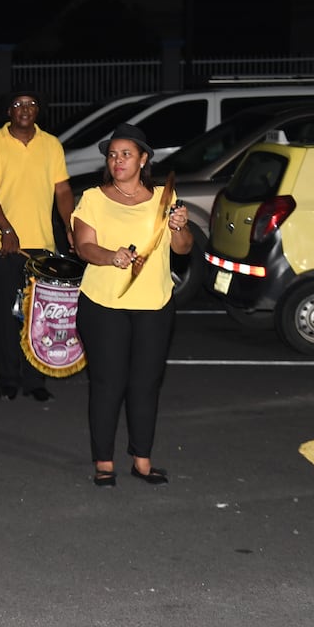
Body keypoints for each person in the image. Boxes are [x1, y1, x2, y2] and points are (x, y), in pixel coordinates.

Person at [71, 122, 191, 487]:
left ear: (143, 159)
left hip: (154, 303)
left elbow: (183, 249)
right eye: (112, 155)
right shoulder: (93, 197)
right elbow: (83, 246)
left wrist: (179, 226)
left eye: (126, 154)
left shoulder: (163, 198)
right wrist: (112, 256)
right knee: (108, 384)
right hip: (104, 304)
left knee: (145, 384)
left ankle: (142, 459)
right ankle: (104, 461)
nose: (117, 160)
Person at [0, 89, 74, 402]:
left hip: (41, 243)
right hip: (4, 244)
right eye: (18, 104)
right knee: (4, 316)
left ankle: (35, 381)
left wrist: (70, 227)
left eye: (31, 104)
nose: (25, 109)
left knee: (39, 315)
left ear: (38, 110)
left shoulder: (51, 144)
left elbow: (63, 192)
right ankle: (7, 380)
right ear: (8, 111)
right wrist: (6, 228)